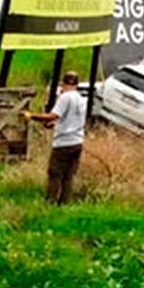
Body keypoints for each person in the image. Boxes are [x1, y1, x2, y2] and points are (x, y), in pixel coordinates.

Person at [26, 71, 87, 205]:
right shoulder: (81, 99)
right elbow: (69, 119)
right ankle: (65, 202)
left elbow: (53, 115)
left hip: (63, 143)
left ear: (64, 83)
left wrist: (32, 116)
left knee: (55, 173)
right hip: (77, 141)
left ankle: (50, 202)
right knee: (68, 176)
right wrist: (53, 124)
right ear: (77, 83)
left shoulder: (65, 97)